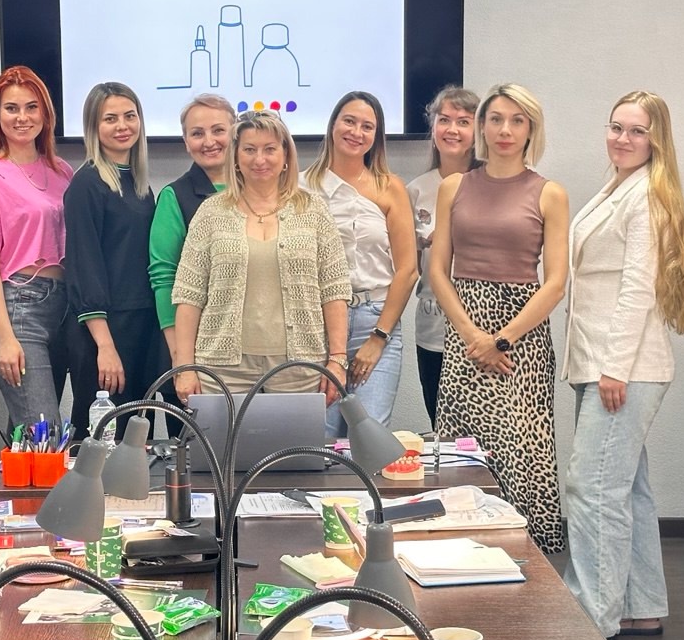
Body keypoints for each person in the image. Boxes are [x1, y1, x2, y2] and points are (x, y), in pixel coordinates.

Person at [560, 91, 684, 639]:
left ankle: (593, 618)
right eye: (616, 127)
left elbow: (638, 287)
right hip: (602, 361)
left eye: (637, 131)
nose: (623, 138)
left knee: (592, 489)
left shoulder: (646, 195)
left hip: (622, 368)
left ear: (655, 140)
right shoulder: (619, 187)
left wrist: (614, 367)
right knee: (625, 489)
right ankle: (640, 605)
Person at [430, 84, 569, 553]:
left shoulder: (549, 193)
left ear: (531, 129)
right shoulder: (454, 187)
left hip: (522, 339)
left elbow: (555, 282)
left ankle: (525, 558)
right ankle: (460, 552)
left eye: (517, 120)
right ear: (482, 127)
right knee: (463, 450)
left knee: (520, 449)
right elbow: (438, 270)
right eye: (496, 119)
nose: (505, 129)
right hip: (465, 334)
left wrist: (501, 339)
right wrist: (472, 334)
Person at [173, 110, 350, 400]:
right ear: (235, 157)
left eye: (269, 149)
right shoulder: (211, 213)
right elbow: (189, 295)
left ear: (285, 155)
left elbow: (334, 289)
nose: (259, 159)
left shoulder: (313, 210)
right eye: (249, 150)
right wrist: (185, 367)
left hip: (300, 366)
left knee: (296, 434)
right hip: (220, 368)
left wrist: (338, 360)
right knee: (221, 434)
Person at [0, 66, 73, 434]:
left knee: (29, 436)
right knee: (45, 432)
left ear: (45, 114)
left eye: (31, 107)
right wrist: (5, 338)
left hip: (62, 308)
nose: (22, 117)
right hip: (17, 308)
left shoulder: (63, 172)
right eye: (11, 108)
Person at [305, 92, 417, 437]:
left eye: (367, 126)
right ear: (333, 125)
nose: (356, 132)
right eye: (349, 121)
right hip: (318, 324)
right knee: (318, 439)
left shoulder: (390, 187)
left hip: (375, 320)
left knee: (368, 438)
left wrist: (378, 338)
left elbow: (408, 270)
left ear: (376, 136)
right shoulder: (300, 186)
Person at [63, 81, 166, 439]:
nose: (122, 126)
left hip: (142, 327)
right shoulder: (86, 184)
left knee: (136, 440)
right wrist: (105, 346)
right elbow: (84, 267)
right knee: (101, 440)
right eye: (110, 119)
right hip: (104, 330)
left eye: (129, 116)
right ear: (93, 127)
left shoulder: (140, 185)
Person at [407, 86, 481, 427]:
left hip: (483, 326)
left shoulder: (493, 183)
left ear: (478, 131)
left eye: (463, 122)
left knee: (485, 429)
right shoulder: (416, 190)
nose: (452, 129)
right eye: (444, 120)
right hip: (433, 326)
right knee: (442, 426)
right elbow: (408, 264)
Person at [149, 93, 235, 361]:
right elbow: (164, 276)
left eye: (218, 130)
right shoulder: (175, 196)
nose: (209, 142)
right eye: (197, 134)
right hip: (196, 347)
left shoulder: (259, 191)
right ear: (186, 142)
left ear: (235, 134)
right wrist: (178, 352)